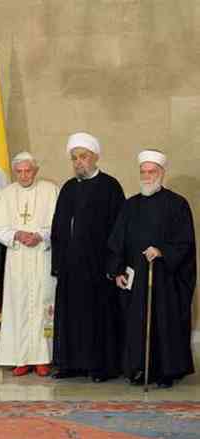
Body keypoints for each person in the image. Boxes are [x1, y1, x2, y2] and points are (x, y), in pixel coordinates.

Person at [107, 149, 196, 388]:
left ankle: (167, 371)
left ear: (161, 174)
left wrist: (163, 251)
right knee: (136, 324)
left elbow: (185, 242)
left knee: (165, 324)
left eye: (152, 172)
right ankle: (139, 368)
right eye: (143, 172)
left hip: (166, 278)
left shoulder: (177, 204)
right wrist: (116, 270)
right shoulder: (130, 205)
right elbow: (116, 241)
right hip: (137, 276)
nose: (147, 176)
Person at [51, 132, 125, 381]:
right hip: (71, 268)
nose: (78, 162)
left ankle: (99, 367)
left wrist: (113, 265)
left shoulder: (110, 186)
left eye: (83, 157)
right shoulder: (68, 188)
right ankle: (69, 364)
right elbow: (58, 229)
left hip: (98, 267)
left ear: (95, 157)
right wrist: (58, 264)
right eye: (74, 158)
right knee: (71, 316)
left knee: (98, 318)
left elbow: (119, 229)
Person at [0, 152, 59, 377]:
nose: (23, 175)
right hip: (17, 259)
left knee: (43, 306)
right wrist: (17, 234)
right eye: (19, 171)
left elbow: (57, 225)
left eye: (28, 170)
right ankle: (20, 359)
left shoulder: (51, 190)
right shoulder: (6, 194)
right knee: (18, 307)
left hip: (42, 256)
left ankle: (43, 358)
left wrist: (40, 235)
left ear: (35, 171)